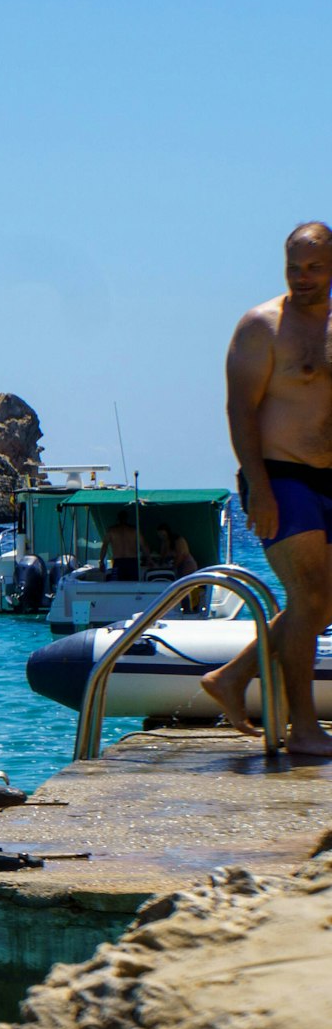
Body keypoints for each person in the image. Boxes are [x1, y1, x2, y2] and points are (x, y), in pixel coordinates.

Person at [200, 221, 332, 752]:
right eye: (293, 267)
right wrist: (260, 488)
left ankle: (232, 677)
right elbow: (240, 411)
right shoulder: (262, 326)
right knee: (312, 595)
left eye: (314, 267)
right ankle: (303, 728)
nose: (302, 277)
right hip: (282, 475)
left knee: (322, 604)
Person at [100, 508, 142, 581]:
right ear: (126, 519)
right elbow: (144, 545)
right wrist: (149, 559)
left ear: (118, 519)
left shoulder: (112, 531)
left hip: (119, 562)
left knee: (118, 585)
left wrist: (101, 562)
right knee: (133, 585)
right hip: (132, 561)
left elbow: (104, 546)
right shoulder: (133, 531)